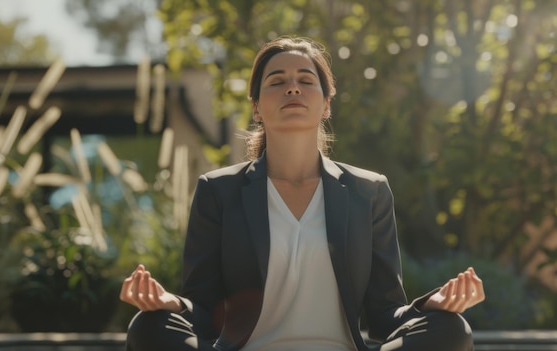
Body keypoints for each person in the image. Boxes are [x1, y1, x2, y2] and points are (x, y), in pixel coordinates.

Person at [119, 36, 485, 351]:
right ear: (257, 108)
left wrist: (431, 305)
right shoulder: (218, 190)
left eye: (305, 80)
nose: (292, 87)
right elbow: (205, 313)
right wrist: (172, 304)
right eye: (276, 81)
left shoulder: (369, 191)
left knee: (451, 329)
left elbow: (384, 315)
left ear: (326, 103)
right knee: (148, 326)